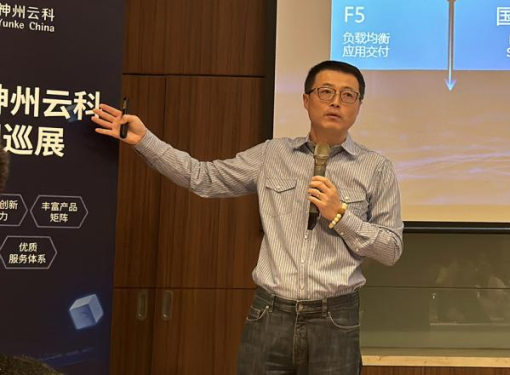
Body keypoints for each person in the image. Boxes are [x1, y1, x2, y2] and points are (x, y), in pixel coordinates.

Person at [91, 60, 403, 374]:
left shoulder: (376, 168)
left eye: (348, 95)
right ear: (306, 99)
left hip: (336, 318)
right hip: (271, 313)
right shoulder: (272, 154)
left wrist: (340, 215)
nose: (336, 102)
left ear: (358, 107)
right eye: (326, 92)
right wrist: (145, 140)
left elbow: (390, 249)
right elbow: (204, 178)